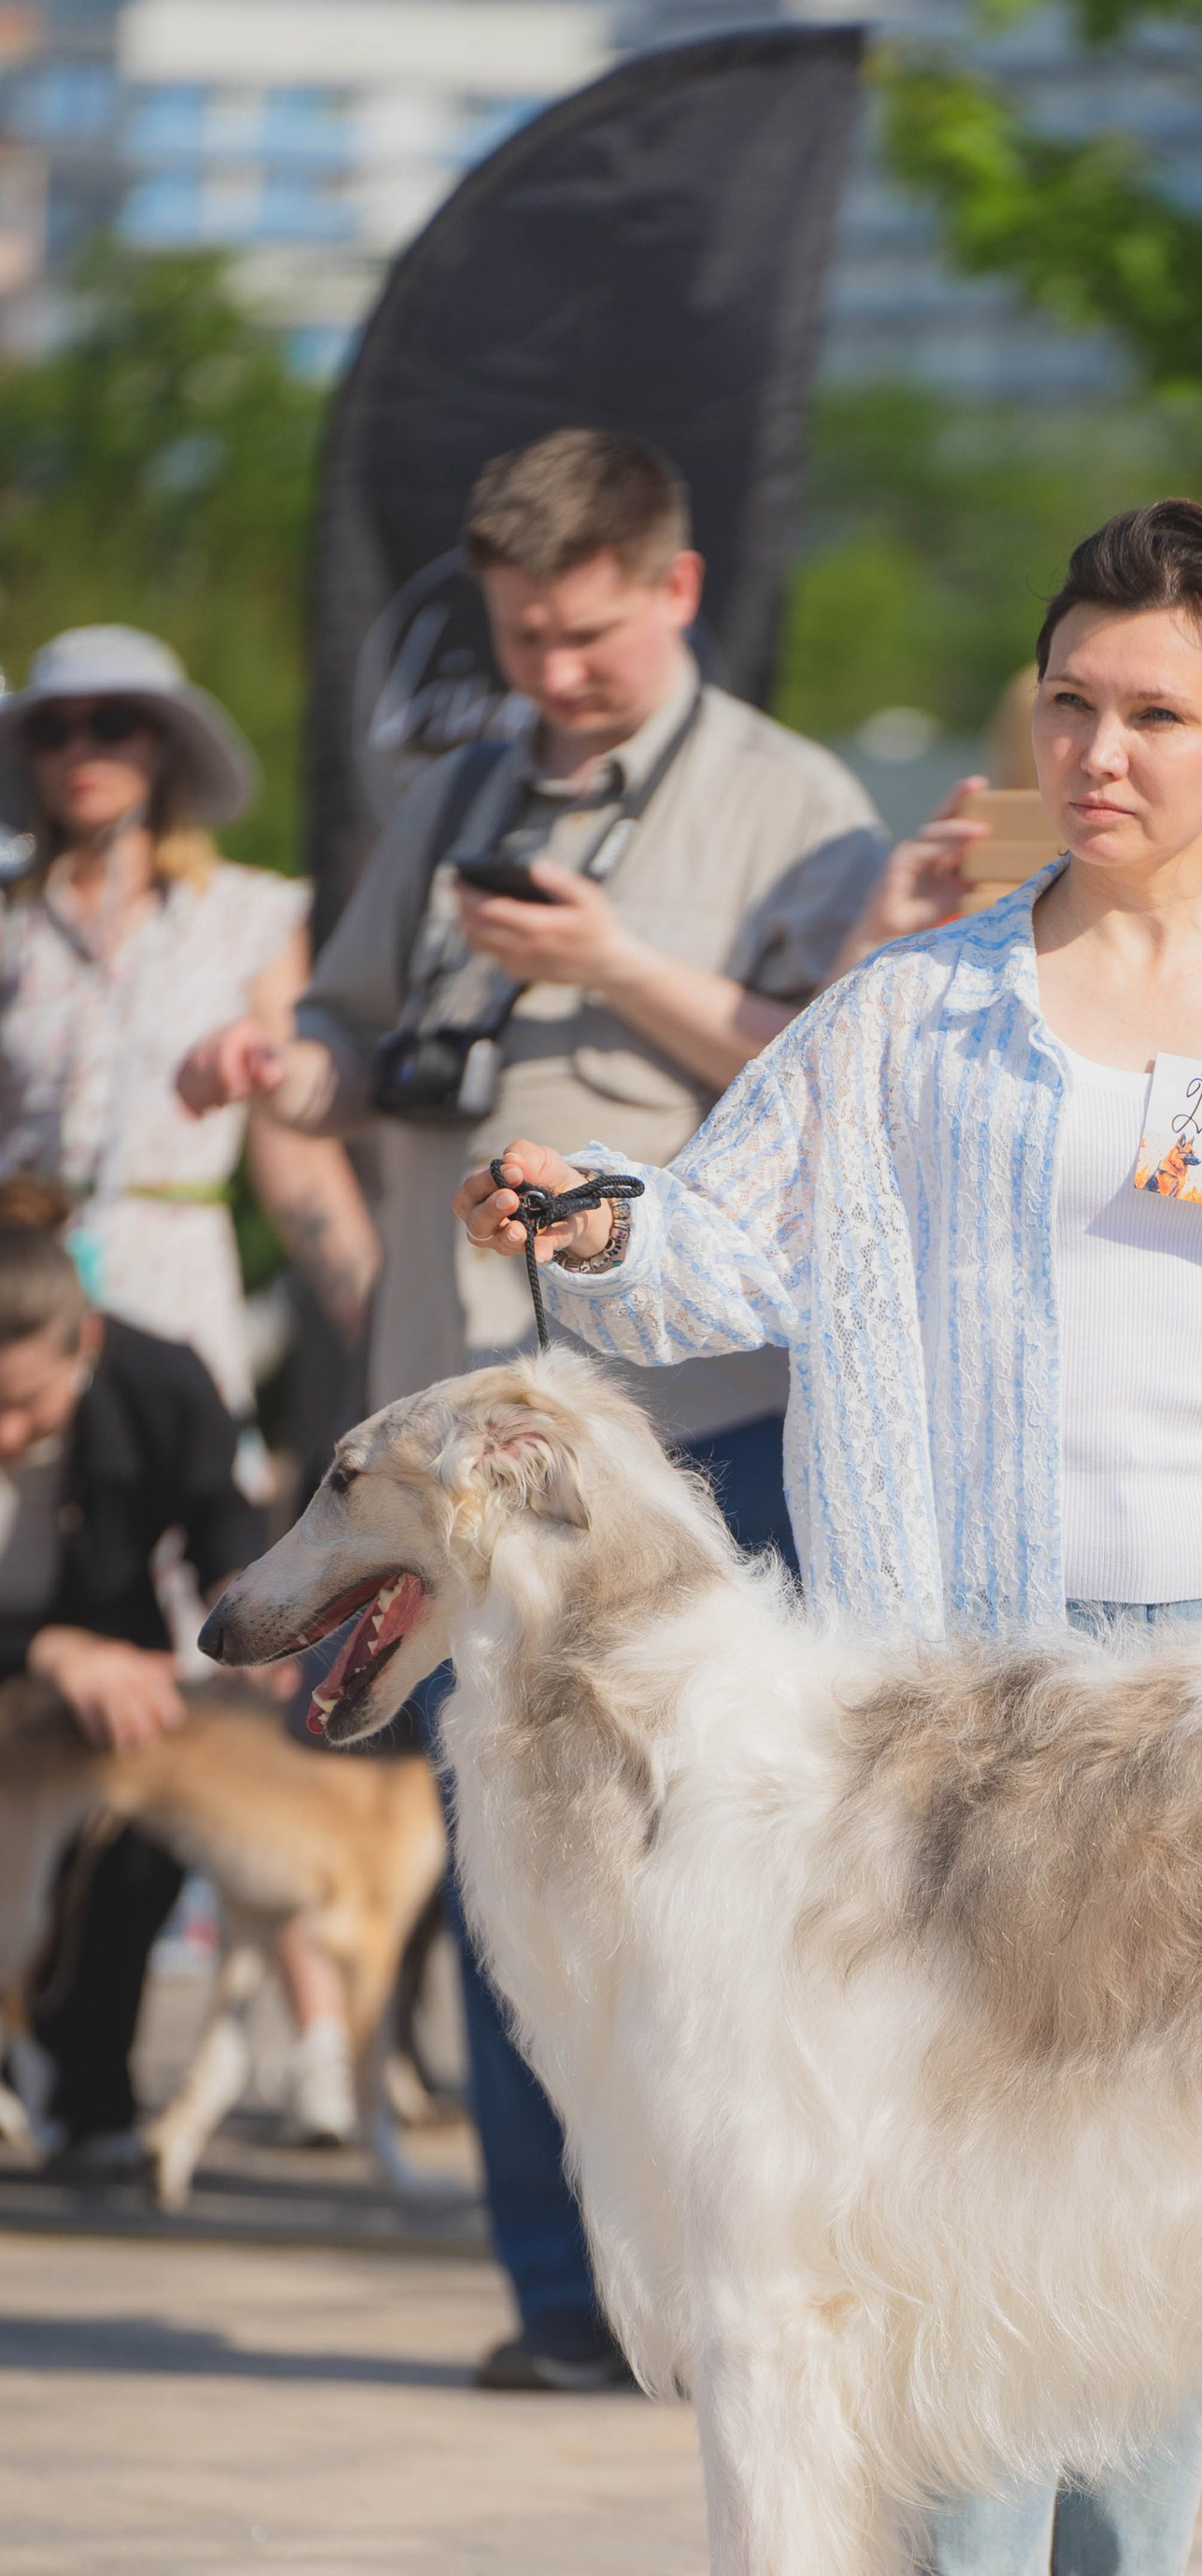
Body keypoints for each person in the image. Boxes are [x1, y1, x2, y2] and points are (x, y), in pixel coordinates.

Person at [456, 496, 1202, 2576]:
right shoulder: (916, 1008)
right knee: (942, 2176)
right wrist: (589, 1210)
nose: (1098, 747)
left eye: (1151, 713)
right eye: (1070, 702)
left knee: (1175, 2179)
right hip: (964, 1683)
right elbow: (717, 1235)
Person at [180, 429, 888, 2387]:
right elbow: (347, 1023)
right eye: (519, 639)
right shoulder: (461, 786)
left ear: (670, 591)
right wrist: (288, 1067)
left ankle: (726, 2278)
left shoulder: (795, 801)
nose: (548, 677)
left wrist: (610, 963)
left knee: (701, 1865)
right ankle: (560, 2302)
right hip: (450, 1408)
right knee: (502, 1848)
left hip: (689, 1429)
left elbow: (815, 1071)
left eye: (583, 638)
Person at [0, 628, 380, 2143]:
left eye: (120, 723)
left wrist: (371, 1309)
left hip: (164, 1297)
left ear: (164, 751)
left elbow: (292, 1150)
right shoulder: (9, 925)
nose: (86, 748)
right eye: (57, 725)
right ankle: (62, 2055)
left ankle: (142, 2057)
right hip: (18, 1305)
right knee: (37, 1653)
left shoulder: (245, 918)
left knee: (187, 1678)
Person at [0, 1189, 263, 2178]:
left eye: (27, 1403)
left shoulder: (160, 1381)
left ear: (88, 1342)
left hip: (116, 1685)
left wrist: (255, 1616)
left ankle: (92, 2099)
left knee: (147, 1830)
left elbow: (225, 1530)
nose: (7, 1430)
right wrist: (48, 1651)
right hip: (38, 1664)